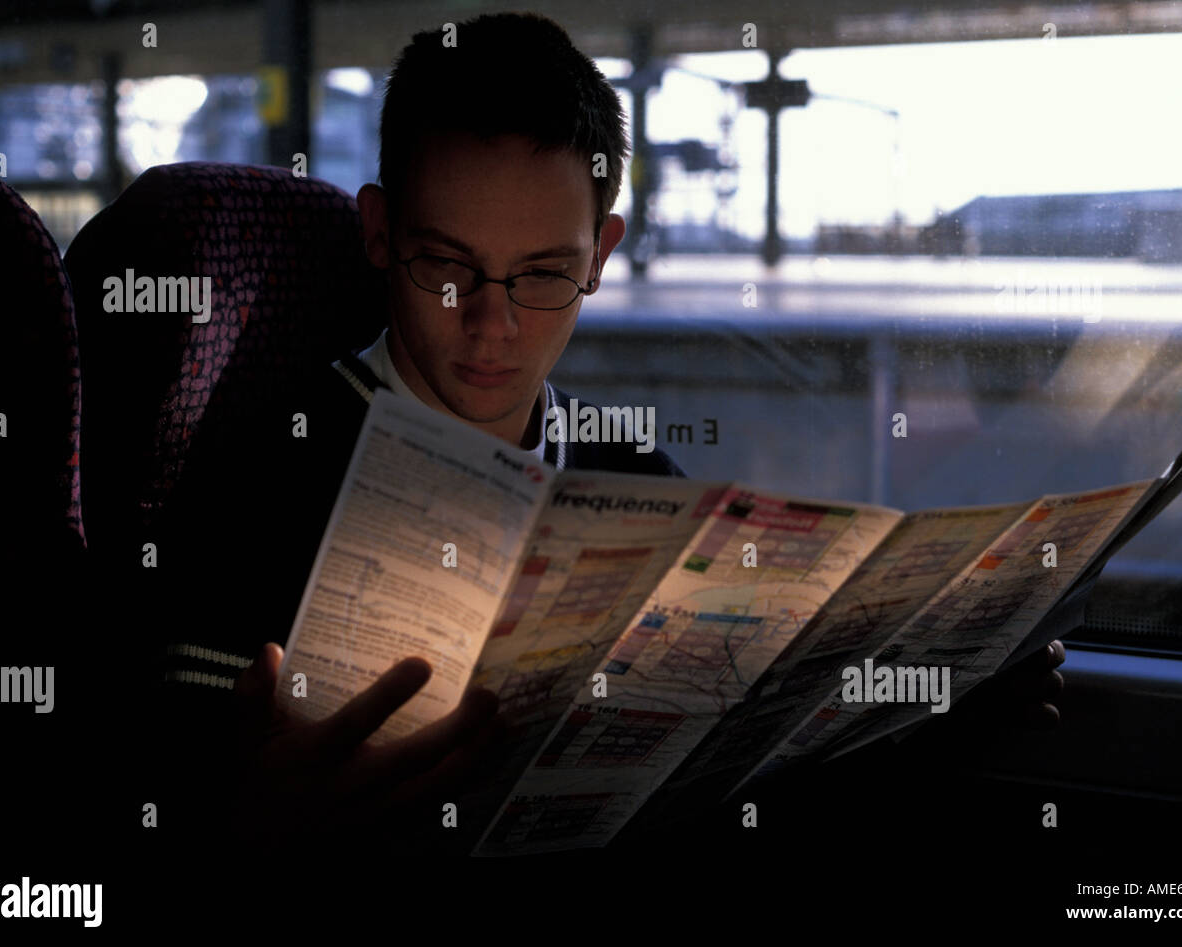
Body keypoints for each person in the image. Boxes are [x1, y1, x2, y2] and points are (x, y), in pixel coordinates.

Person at [153, 11, 1065, 861]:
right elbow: (169, 807)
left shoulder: (628, 470)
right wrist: (253, 831)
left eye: (544, 273)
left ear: (601, 255)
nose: (492, 324)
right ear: (382, 235)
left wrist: (929, 701)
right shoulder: (262, 480)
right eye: (447, 266)